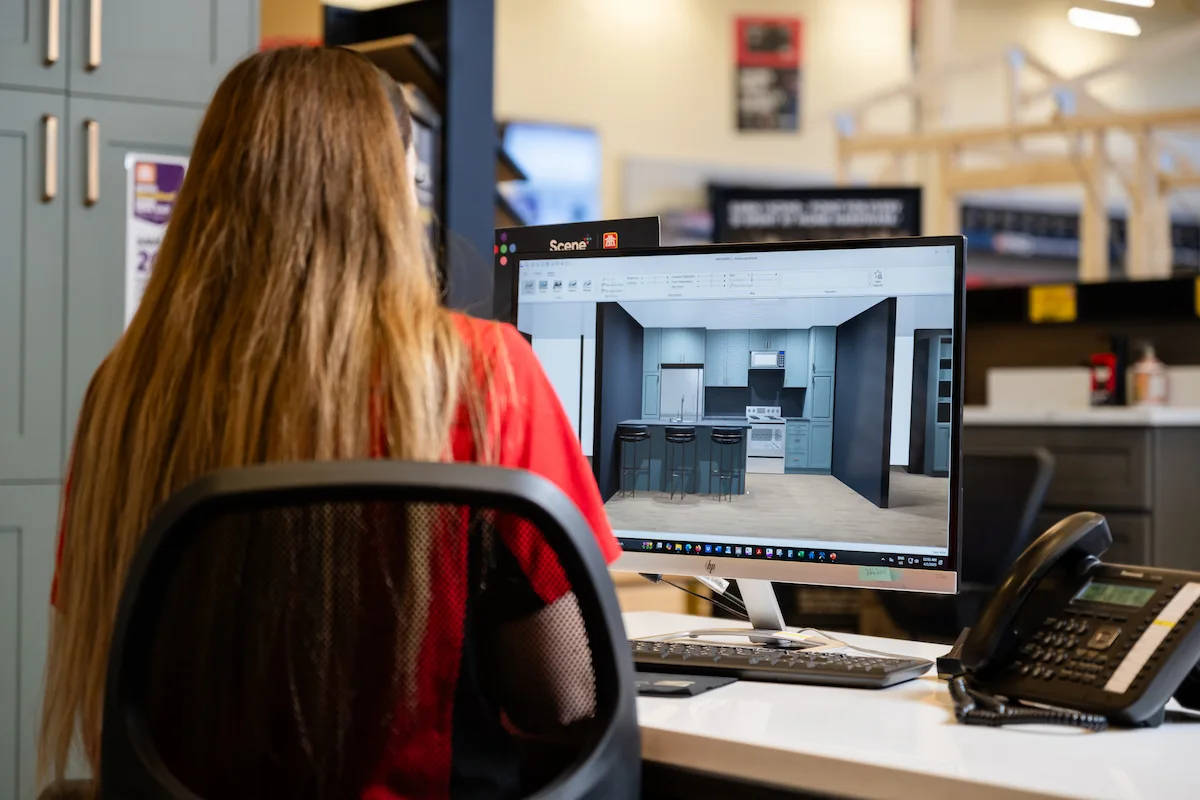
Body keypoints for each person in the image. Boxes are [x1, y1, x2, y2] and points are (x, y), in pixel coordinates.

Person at [38, 46, 620, 800]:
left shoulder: (127, 390)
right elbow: (565, 695)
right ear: (382, 195)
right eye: (410, 185)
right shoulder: (481, 373)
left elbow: (112, 663)